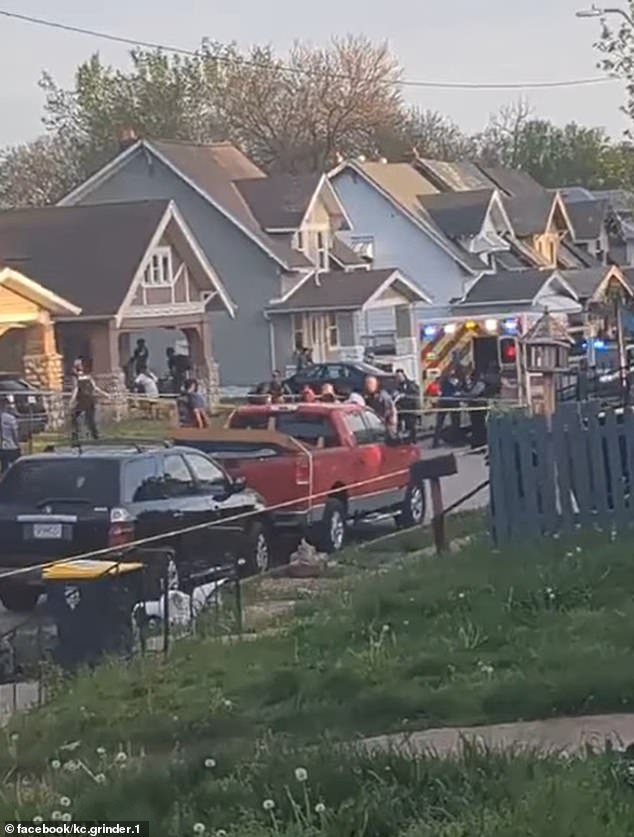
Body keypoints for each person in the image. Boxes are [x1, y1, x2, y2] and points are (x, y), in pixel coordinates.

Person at [70, 364, 109, 442]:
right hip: (90, 400)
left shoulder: (76, 379)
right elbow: (95, 388)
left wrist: (71, 400)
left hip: (82, 401)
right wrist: (105, 394)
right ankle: (95, 435)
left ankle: (76, 434)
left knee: (74, 417)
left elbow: (76, 390)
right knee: (90, 419)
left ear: (75, 370)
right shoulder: (89, 377)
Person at [432, 367, 461, 449]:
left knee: (439, 423)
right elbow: (457, 389)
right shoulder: (454, 380)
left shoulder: (443, 380)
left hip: (443, 401)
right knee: (455, 422)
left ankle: (435, 442)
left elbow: (440, 390)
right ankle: (455, 441)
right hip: (452, 402)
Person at [393, 369, 420, 443]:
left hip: (410, 408)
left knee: (411, 426)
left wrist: (405, 395)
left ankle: (413, 441)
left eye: (400, 376)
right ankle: (402, 440)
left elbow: (416, 394)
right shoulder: (396, 386)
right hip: (401, 409)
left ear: (403, 375)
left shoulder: (411, 384)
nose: (399, 378)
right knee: (399, 426)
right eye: (397, 377)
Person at [0, 397, 20, 473]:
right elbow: (15, 433)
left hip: (2, 446)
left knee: (4, 467)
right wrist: (18, 445)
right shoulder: (10, 418)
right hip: (10, 446)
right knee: (14, 467)